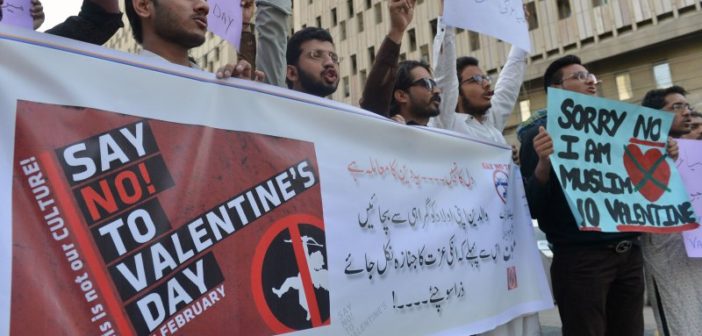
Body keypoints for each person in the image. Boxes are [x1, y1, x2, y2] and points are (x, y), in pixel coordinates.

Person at [428, 2, 539, 335]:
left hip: (508, 250)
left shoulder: (491, 125)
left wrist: (521, 33)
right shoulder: (448, 123)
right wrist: (446, 24)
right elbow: (444, 73)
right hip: (468, 255)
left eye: (486, 76)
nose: (487, 83)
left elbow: (510, 77)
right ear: (457, 92)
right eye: (475, 79)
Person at [518, 55, 645, 336]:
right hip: (581, 261)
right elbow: (532, 206)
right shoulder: (538, 135)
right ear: (557, 89)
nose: (589, 80)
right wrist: (543, 164)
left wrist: (665, 154)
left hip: (629, 255)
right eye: (577, 76)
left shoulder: (618, 130)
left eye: (590, 75)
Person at [639, 85, 701, 336]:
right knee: (683, 326)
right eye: (677, 107)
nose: (686, 113)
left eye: (687, 106)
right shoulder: (639, 152)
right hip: (668, 259)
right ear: (655, 115)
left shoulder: (694, 155)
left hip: (696, 254)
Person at [125, 0, 253, 76]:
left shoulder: (217, 91)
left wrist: (240, 96)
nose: (204, 6)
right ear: (144, 6)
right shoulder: (116, 91)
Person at [284, 27, 340, 97]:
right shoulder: (272, 107)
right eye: (316, 55)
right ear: (292, 73)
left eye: (333, 57)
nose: (330, 62)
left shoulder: (347, 108)